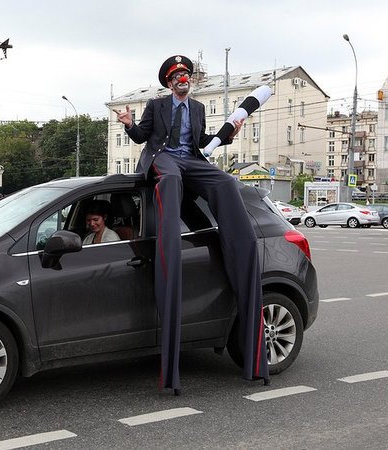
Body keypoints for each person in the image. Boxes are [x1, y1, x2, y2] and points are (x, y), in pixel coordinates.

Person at [115, 54, 268, 394]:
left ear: (190, 80)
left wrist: (228, 133)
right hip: (164, 159)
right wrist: (127, 122)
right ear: (169, 83)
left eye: (186, 74)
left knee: (227, 183)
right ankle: (168, 243)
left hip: (190, 160)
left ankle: (237, 241)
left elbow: (200, 142)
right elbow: (142, 137)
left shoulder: (197, 109)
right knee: (169, 181)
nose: (182, 78)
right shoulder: (156, 106)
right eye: (177, 75)